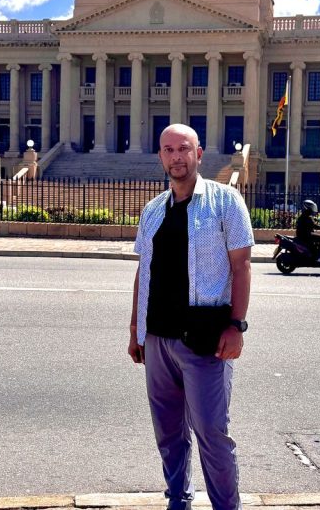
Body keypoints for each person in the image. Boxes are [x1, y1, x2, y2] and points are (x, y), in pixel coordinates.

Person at [128, 123, 254, 510]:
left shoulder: (224, 201)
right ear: (161, 157)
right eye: (168, 150)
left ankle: (225, 507)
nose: (176, 157)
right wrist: (136, 329)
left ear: (199, 154)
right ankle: (178, 500)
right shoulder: (153, 211)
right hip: (158, 339)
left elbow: (242, 265)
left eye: (184, 149)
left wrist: (236, 326)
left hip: (204, 337)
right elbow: (142, 270)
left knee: (212, 432)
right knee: (168, 432)